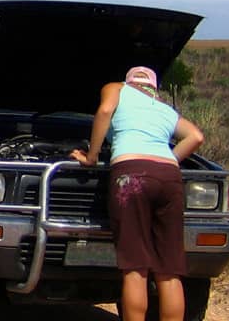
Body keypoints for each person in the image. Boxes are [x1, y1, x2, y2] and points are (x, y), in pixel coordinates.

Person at [70, 66, 205, 321]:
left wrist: (91, 156)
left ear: (128, 80)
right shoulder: (164, 109)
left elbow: (106, 110)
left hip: (130, 174)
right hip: (169, 177)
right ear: (153, 88)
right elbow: (196, 137)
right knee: (169, 270)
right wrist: (167, 159)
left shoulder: (116, 88)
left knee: (135, 267)